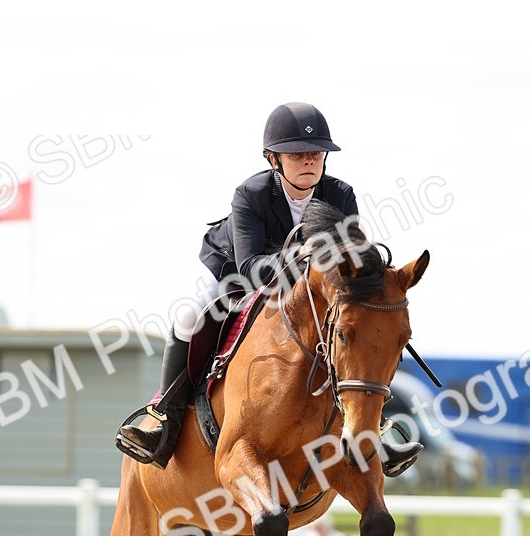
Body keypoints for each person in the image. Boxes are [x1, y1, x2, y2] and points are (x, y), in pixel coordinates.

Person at [116, 101, 422, 475]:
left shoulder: (341, 195)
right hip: (239, 275)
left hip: (307, 289)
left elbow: (352, 269)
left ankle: (375, 427)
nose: (309, 160)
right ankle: (166, 416)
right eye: (297, 153)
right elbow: (249, 267)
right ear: (274, 159)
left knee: (359, 330)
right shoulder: (251, 194)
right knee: (189, 316)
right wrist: (301, 257)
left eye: (316, 152)